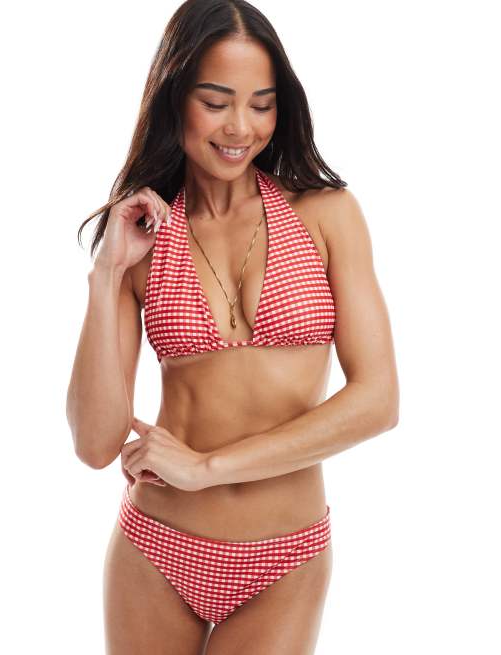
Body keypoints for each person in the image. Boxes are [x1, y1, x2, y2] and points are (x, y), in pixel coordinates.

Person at [66, 1, 399, 652]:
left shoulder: (328, 214)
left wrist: (206, 466)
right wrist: (106, 274)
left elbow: (378, 401)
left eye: (261, 104)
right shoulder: (143, 239)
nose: (240, 127)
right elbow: (96, 443)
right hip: (156, 547)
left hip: (285, 555)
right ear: (175, 100)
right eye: (215, 102)